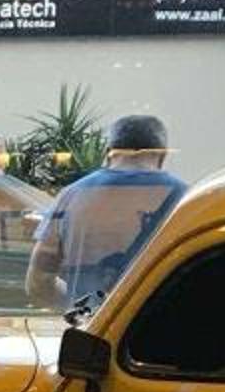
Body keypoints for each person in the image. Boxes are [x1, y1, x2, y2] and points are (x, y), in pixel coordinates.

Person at [26, 113, 188, 312]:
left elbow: (38, 282)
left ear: (108, 153)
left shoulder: (71, 196)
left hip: (91, 327)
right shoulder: (185, 199)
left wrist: (78, 307)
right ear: (162, 155)